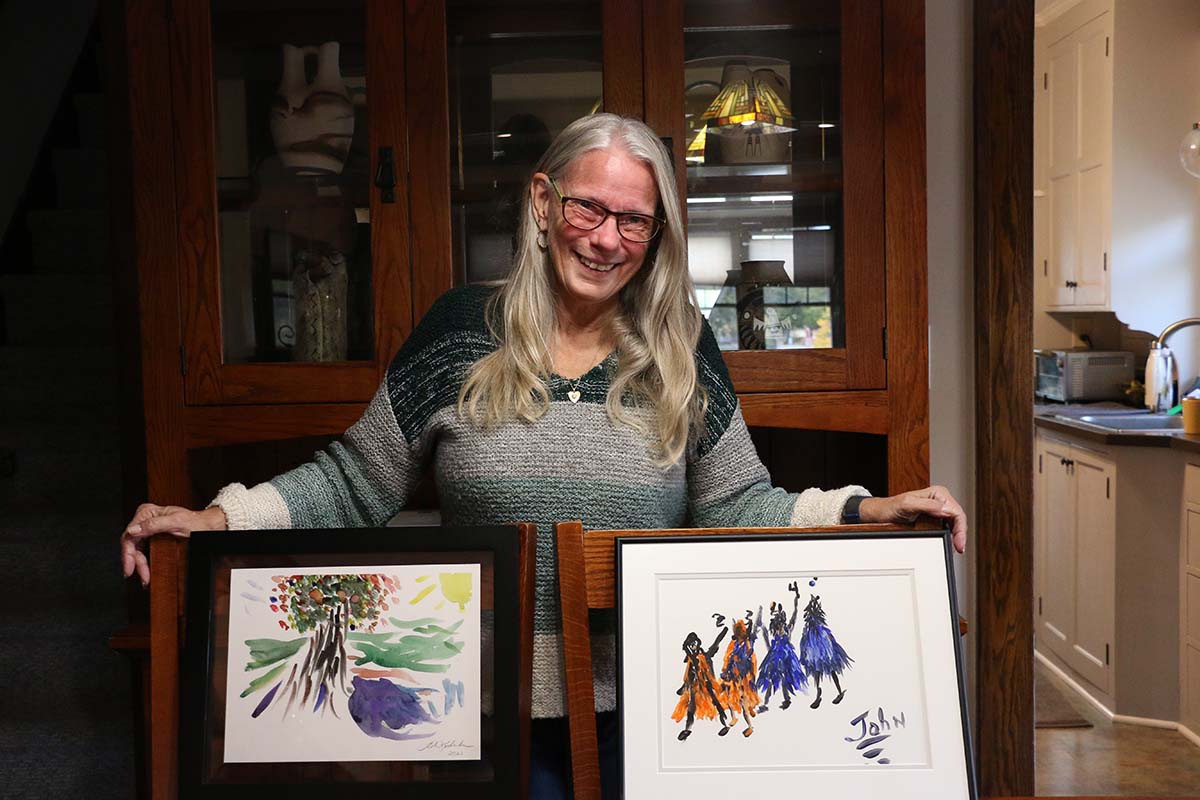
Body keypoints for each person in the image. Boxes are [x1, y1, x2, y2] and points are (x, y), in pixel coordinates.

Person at [120, 113, 967, 798]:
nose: (607, 239)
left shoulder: (680, 346)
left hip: (650, 715)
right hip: (476, 715)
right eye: (588, 208)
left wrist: (866, 509)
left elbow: (738, 503)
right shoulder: (459, 332)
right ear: (542, 200)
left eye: (635, 219)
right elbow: (353, 481)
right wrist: (218, 519)